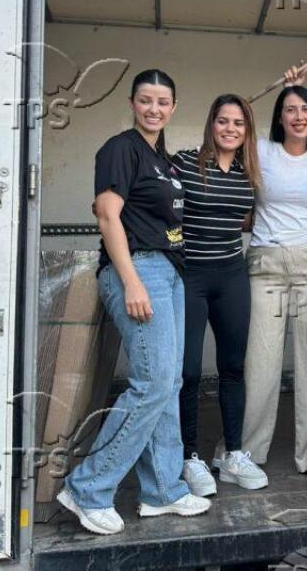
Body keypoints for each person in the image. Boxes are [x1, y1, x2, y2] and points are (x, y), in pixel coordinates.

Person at [57, 70, 209, 535]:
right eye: (146, 100)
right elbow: (108, 217)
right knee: (153, 382)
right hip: (139, 270)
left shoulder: (163, 160)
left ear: (173, 107)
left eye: (163, 102)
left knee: (168, 383)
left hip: (170, 271)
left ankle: (162, 491)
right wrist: (131, 281)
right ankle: (88, 488)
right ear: (132, 103)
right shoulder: (120, 148)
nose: (154, 109)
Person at [237, 83, 307, 480]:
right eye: (290, 109)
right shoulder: (261, 150)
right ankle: (247, 450)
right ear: (279, 117)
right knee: (259, 361)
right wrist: (279, 86)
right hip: (265, 262)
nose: (299, 116)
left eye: (305, 109)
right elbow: (233, 119)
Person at [171, 94, 267, 493]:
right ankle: (188, 457)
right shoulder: (184, 162)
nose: (230, 129)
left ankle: (233, 455)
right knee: (189, 371)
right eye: (223, 121)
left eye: (238, 123)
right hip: (190, 277)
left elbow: (243, 220)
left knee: (233, 367)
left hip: (231, 276)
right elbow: (161, 206)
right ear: (211, 124)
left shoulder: (248, 172)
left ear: (247, 130)